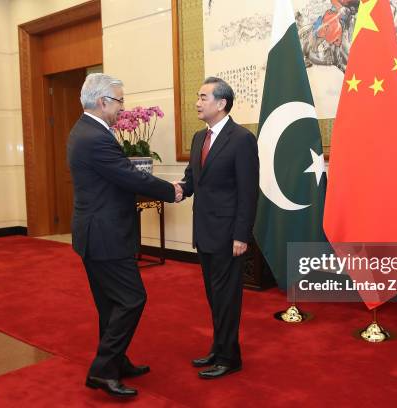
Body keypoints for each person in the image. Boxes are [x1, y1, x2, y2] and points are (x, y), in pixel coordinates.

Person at [67, 73, 183, 398]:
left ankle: (116, 361)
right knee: (132, 299)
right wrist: (170, 191)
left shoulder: (84, 130)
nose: (122, 107)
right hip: (106, 236)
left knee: (110, 304)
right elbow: (129, 177)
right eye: (120, 100)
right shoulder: (96, 137)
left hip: (95, 233)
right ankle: (103, 370)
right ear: (103, 102)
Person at [180, 77, 259, 379]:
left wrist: (242, 234)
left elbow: (248, 191)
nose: (197, 102)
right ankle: (218, 347)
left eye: (202, 97)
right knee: (214, 296)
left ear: (221, 103)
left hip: (228, 235)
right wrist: (172, 189)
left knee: (227, 298)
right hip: (205, 232)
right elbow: (191, 180)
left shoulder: (241, 139)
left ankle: (230, 358)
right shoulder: (200, 137)